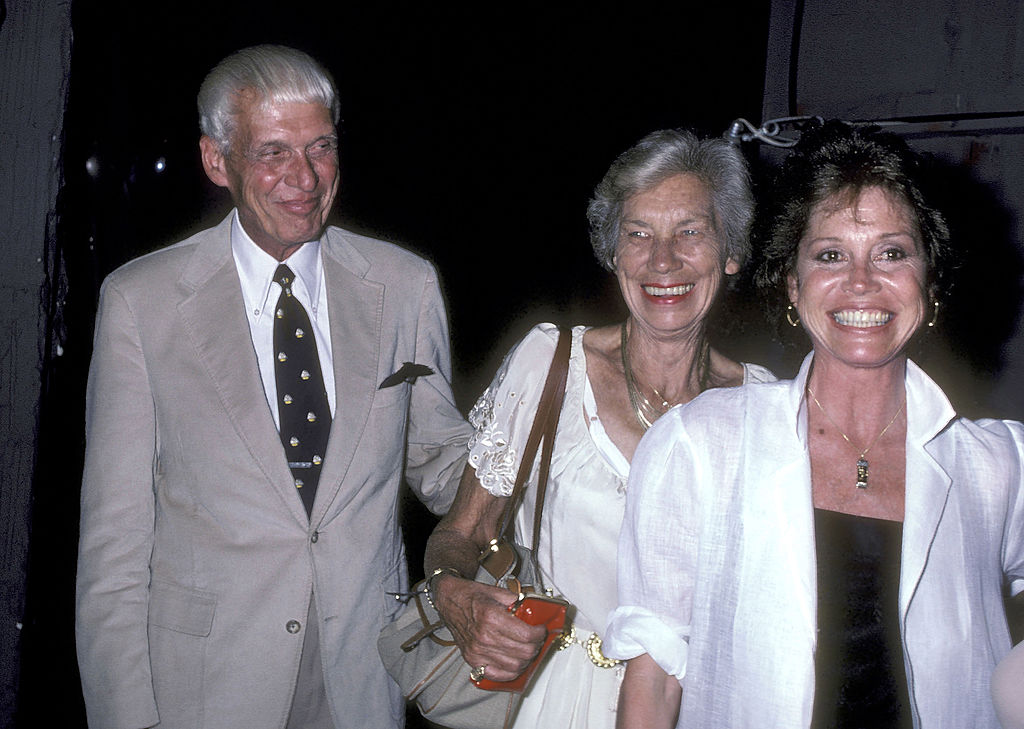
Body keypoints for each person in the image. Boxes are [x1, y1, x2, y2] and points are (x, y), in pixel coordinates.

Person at [74, 45, 471, 729]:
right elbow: (114, 541)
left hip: (361, 678)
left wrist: (559, 439)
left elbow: (443, 465)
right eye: (273, 152)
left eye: (321, 147)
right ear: (215, 160)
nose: (305, 178)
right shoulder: (142, 301)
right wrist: (123, 715)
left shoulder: (405, 287)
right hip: (202, 689)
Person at [607, 120, 1024, 728]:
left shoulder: (997, 466)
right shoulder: (701, 445)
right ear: (791, 284)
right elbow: (654, 677)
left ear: (928, 283)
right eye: (831, 254)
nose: (862, 282)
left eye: (892, 252)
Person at [421, 129, 774, 729]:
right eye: (639, 234)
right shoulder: (550, 365)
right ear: (613, 253)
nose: (663, 261)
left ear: (731, 251)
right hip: (555, 699)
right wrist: (452, 590)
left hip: (706, 706)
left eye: (690, 232)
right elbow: (462, 530)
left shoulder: (766, 407)